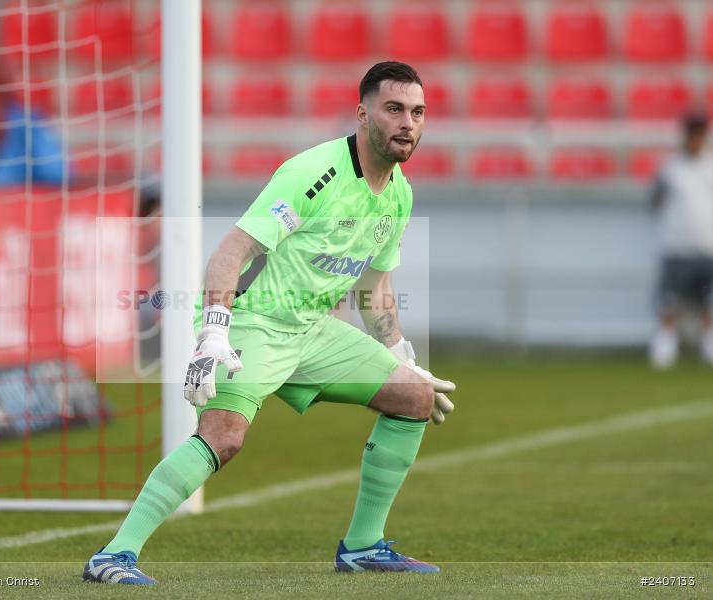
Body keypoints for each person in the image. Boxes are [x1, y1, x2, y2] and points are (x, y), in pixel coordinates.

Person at [82, 61, 457, 585]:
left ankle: (363, 547)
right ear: (362, 113)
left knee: (413, 398)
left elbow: (374, 288)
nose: (407, 123)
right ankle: (113, 556)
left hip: (312, 330)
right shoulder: (314, 173)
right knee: (224, 437)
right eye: (393, 109)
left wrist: (403, 358)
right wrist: (214, 329)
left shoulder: (399, 194)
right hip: (253, 322)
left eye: (417, 112)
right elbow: (230, 253)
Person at [648, 113, 713, 368]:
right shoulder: (670, 167)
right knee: (669, 303)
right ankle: (664, 348)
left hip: (708, 248)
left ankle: (708, 345)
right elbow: (655, 203)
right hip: (676, 247)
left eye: (700, 134)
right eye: (692, 134)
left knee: (709, 304)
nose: (695, 139)